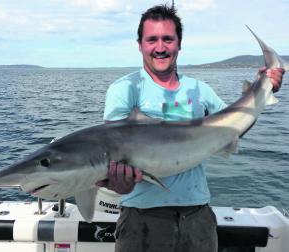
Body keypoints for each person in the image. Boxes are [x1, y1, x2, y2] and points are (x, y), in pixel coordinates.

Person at [96, 4, 284, 252]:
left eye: (168, 39)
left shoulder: (201, 89)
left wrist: (263, 90)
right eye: (152, 39)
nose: (160, 47)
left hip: (198, 217)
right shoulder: (124, 90)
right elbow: (112, 156)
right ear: (140, 44)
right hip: (141, 219)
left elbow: (234, 129)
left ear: (179, 44)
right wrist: (117, 182)